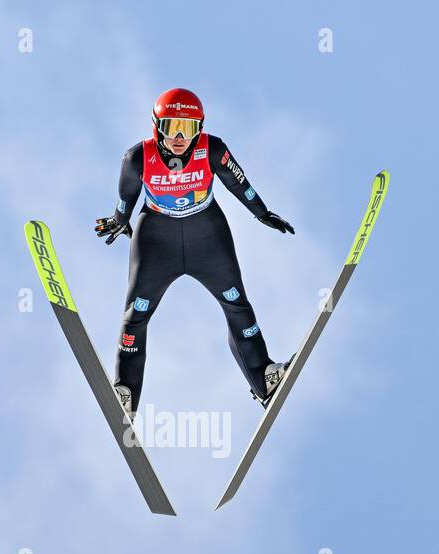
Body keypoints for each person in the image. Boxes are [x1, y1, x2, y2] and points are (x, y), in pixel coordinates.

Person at [95, 87, 295, 417]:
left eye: (187, 129)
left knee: (237, 304)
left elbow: (239, 183)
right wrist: (118, 221)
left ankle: (264, 378)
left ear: (198, 129)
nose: (178, 138)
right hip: (157, 238)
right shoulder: (137, 159)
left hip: (207, 236)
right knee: (135, 315)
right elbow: (125, 198)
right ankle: (126, 392)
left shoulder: (212, 149)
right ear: (157, 126)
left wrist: (261, 212)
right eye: (171, 127)